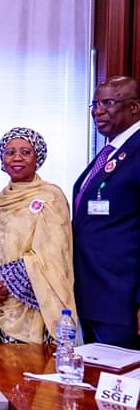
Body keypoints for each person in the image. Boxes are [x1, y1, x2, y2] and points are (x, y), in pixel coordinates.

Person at [0, 127, 76, 344]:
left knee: (28, 365)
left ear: (38, 158)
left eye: (26, 152)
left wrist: (6, 284)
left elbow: (52, 256)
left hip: (30, 308)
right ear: (2, 159)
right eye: (10, 152)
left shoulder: (50, 197)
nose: (17, 158)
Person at [73, 75, 140, 349]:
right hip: (93, 295)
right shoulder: (111, 152)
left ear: (134, 107)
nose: (98, 111)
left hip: (122, 301)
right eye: (95, 104)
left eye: (108, 103)